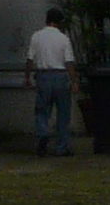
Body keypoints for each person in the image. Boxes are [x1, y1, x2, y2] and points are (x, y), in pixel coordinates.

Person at [26, 9, 78, 155]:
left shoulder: (36, 36)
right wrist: (74, 81)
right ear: (59, 22)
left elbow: (30, 59)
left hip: (43, 76)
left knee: (42, 110)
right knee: (63, 113)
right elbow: (69, 62)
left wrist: (27, 77)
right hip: (61, 76)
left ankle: (43, 133)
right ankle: (62, 147)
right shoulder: (63, 38)